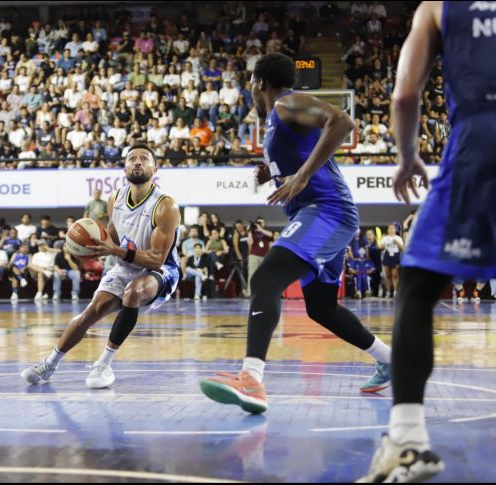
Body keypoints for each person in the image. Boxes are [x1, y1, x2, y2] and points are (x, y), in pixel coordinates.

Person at [200, 53, 393, 415]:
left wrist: (302, 174)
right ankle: (389, 360)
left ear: (258, 83)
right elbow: (298, 154)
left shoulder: (288, 102)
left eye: (250, 84)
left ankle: (252, 378)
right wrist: (270, 171)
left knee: (267, 278)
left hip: (327, 210)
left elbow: (342, 121)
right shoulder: (276, 121)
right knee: (320, 308)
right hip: (322, 213)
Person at [361, 3, 496, 481]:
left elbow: (403, 96)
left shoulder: (439, 7)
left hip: (480, 144)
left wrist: (408, 157)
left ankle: (408, 441)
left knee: (417, 288)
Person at [21, 144, 181, 389]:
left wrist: (115, 250)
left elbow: (156, 258)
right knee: (91, 312)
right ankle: (49, 364)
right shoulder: (115, 199)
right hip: (126, 263)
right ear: (124, 167)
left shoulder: (165, 205)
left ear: (155, 168)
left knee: (133, 292)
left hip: (161, 271)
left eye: (144, 158)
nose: (137, 162)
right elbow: (114, 238)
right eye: (132, 158)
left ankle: (104, 364)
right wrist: (89, 246)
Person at [380, 223, 404, 298]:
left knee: (395, 275)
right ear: (388, 229)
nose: (391, 230)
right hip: (387, 255)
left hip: (395, 256)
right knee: (388, 275)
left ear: (395, 229)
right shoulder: (385, 238)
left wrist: (397, 243)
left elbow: (402, 248)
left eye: (393, 228)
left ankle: (395, 291)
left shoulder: (398, 238)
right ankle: (387, 291)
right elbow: (381, 247)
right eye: (390, 228)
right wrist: (383, 245)